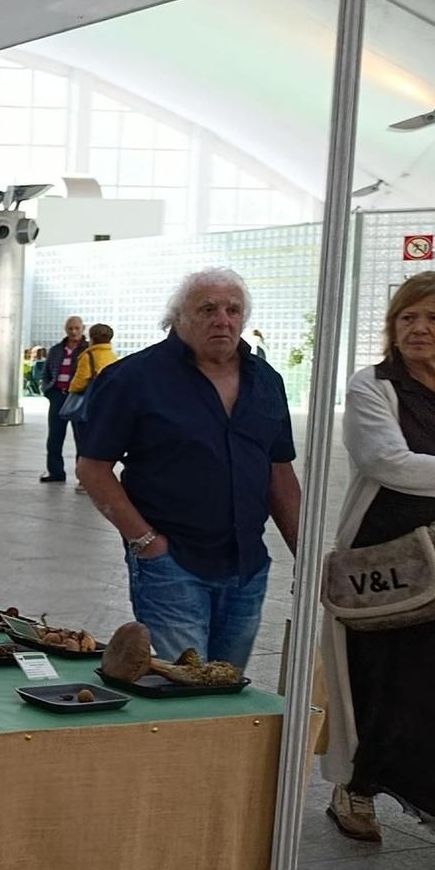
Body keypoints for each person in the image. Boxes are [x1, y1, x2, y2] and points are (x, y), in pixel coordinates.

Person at [76, 269, 300, 669]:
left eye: (233, 310)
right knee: (183, 687)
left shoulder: (266, 381)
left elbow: (279, 474)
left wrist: (307, 555)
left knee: (227, 687)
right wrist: (146, 542)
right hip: (172, 564)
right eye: (208, 309)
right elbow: (93, 468)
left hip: (247, 567)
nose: (223, 319)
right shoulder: (135, 378)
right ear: (179, 317)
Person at [319, 270, 435, 855]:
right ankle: (357, 786)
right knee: (377, 681)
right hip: (388, 560)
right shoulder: (374, 386)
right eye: (407, 317)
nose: (418, 328)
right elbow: (387, 462)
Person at [38, 317, 87, 483]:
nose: (73, 332)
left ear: (82, 329)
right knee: (54, 437)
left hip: (78, 397)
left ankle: (83, 477)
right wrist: (48, 390)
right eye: (70, 328)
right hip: (58, 396)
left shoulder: (88, 350)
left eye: (77, 328)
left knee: (82, 438)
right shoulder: (56, 350)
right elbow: (46, 373)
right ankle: (56, 473)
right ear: (65, 329)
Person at [66, 323, 120, 397]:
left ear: (92, 339)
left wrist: (71, 389)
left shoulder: (88, 356)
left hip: (92, 397)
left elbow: (80, 382)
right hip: (108, 396)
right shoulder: (113, 356)